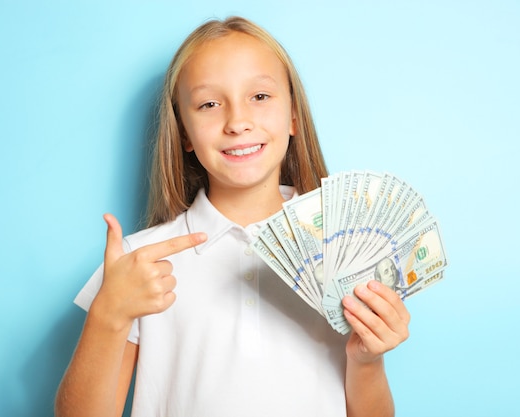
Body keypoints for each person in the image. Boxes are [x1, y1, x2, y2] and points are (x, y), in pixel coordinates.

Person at [55, 16, 410, 417]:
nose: (238, 122)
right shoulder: (137, 263)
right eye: (209, 104)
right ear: (185, 133)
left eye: (259, 96)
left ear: (293, 115)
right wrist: (108, 315)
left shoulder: (347, 248)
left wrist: (367, 360)